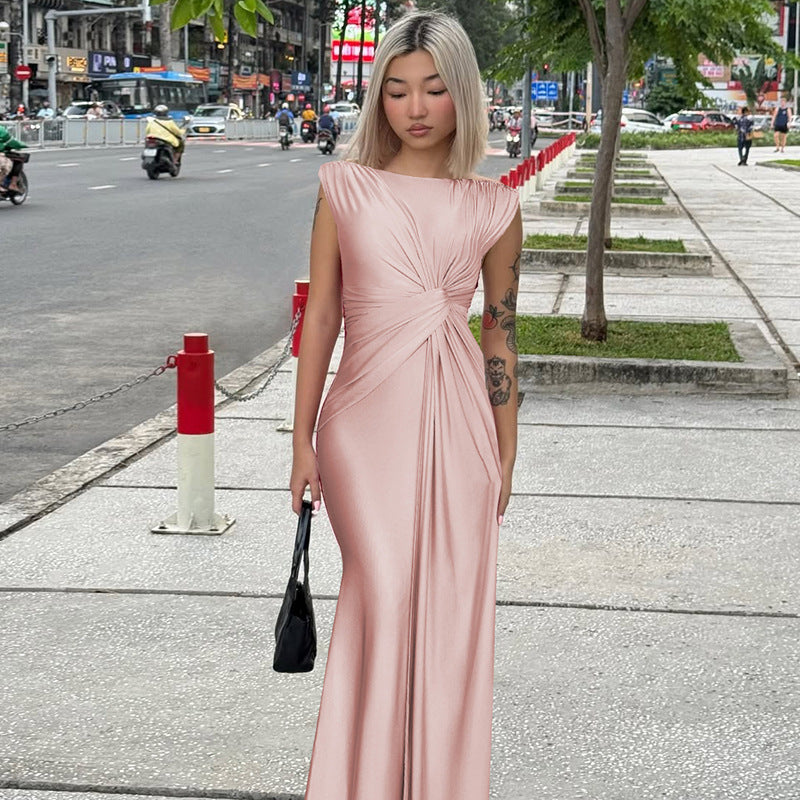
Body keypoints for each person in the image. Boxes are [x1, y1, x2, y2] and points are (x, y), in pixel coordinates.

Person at [291, 10, 520, 799]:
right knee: (383, 592)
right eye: (396, 91)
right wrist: (301, 442)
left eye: (433, 90)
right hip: (359, 422)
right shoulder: (343, 186)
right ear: (377, 98)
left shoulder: (494, 204)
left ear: (462, 96)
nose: (415, 108)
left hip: (461, 423)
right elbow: (321, 315)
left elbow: (500, 333)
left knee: (448, 613)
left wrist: (506, 451)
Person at [0, 123, 26, 192]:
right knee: (17, 160)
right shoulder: (1, 130)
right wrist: (22, 145)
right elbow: (12, 142)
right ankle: (13, 184)